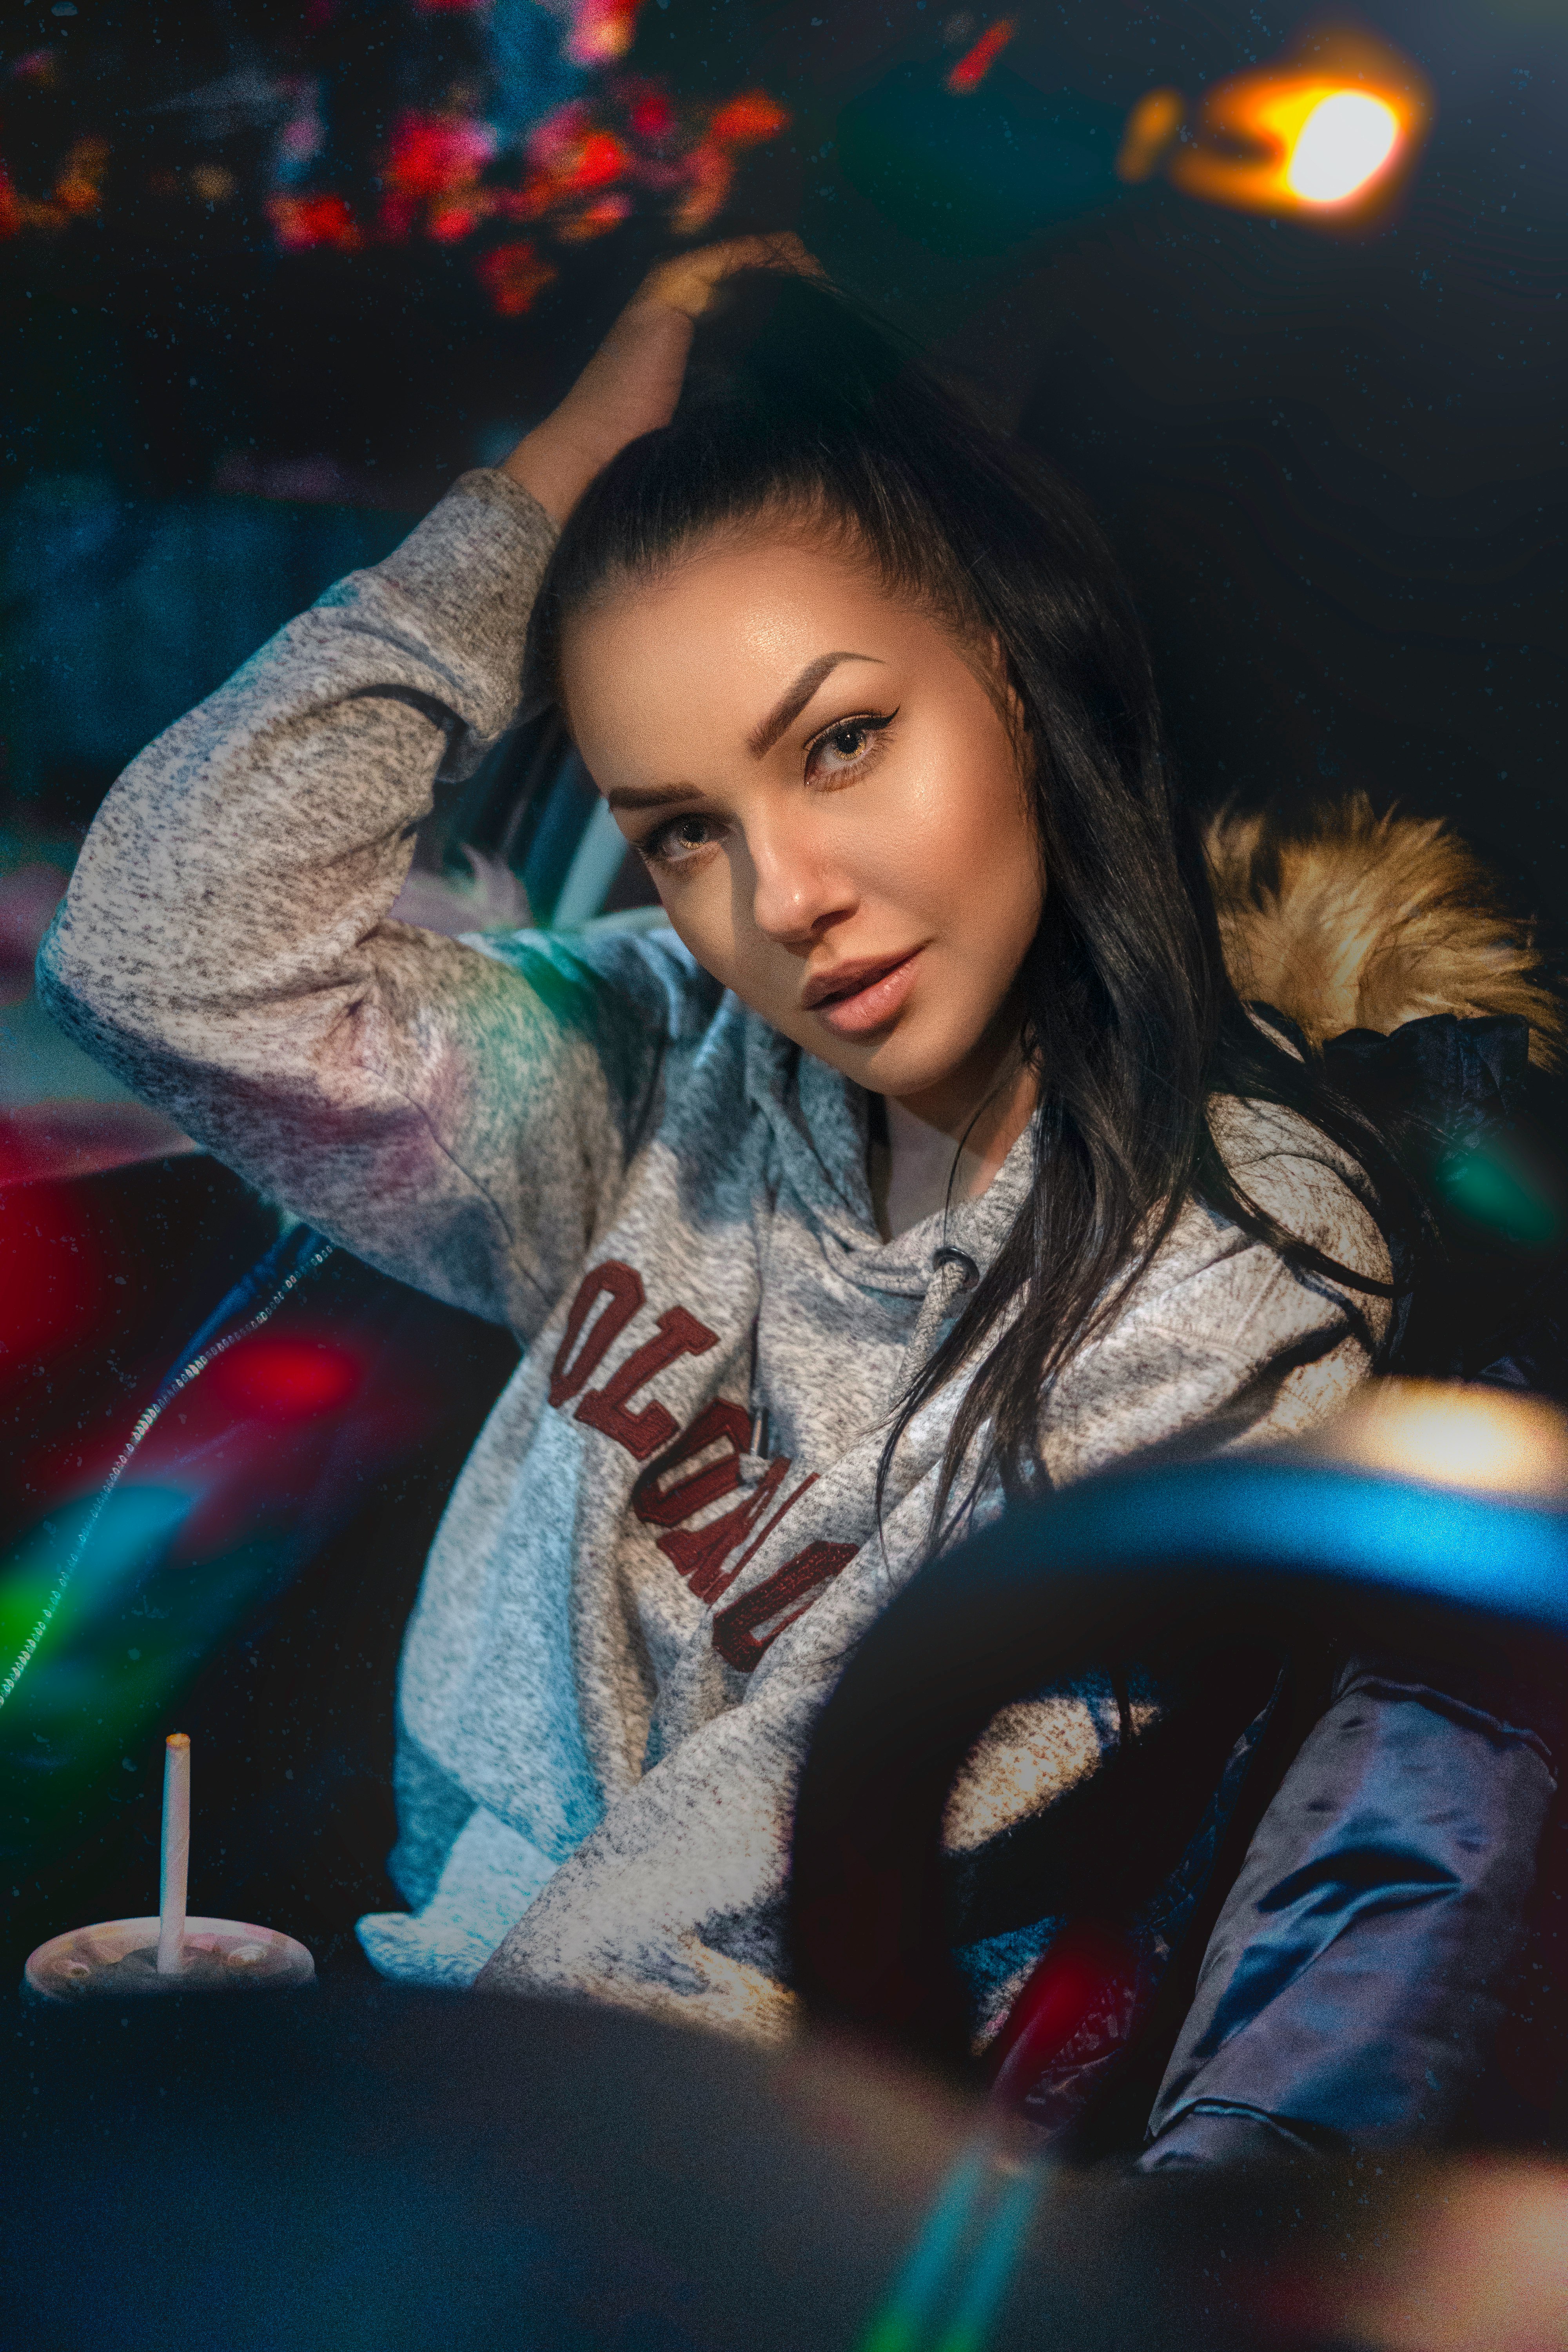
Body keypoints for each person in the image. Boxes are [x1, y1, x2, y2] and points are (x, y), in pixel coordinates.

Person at [39, 239, 1557, 2159]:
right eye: (685, 831)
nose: (787, 897)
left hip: (763, 2165)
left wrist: (406, 2143)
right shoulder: (657, 1064)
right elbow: (163, 955)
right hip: (443, 2040)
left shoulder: (1237, 1261)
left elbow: (787, 1845)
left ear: (1015, 681)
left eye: (842, 745)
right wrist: (542, 490)